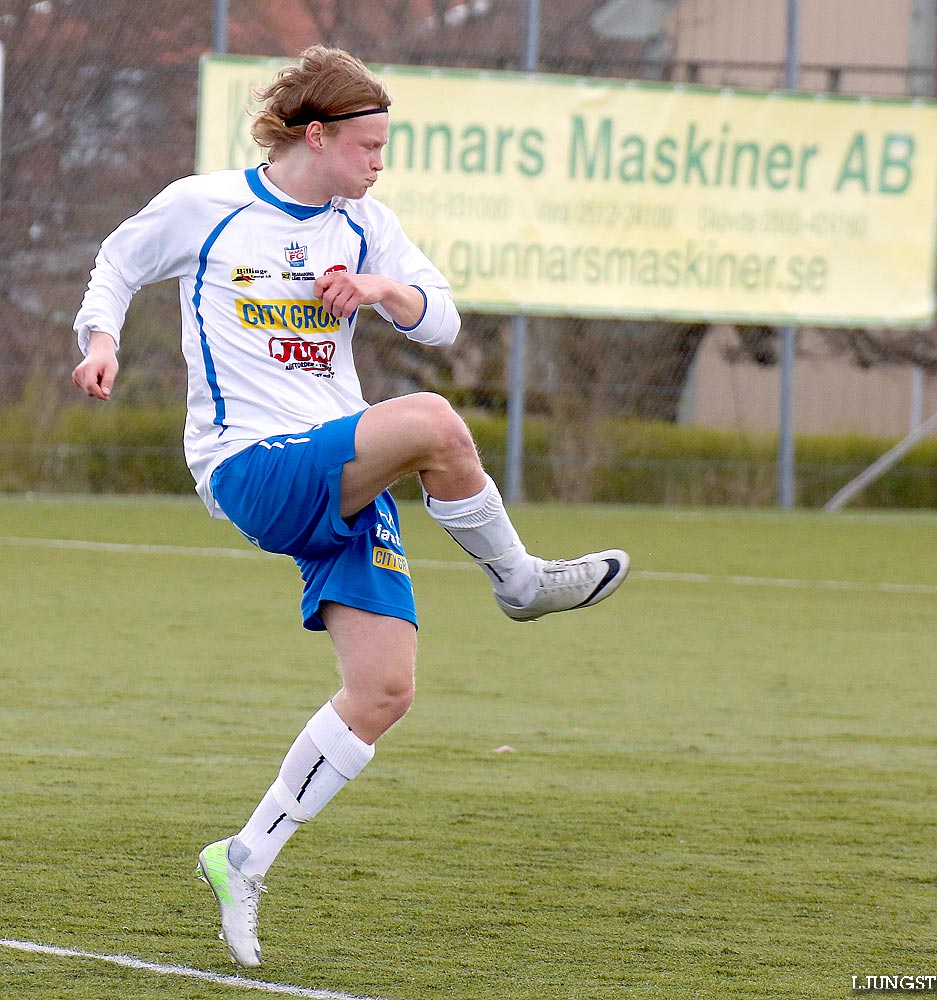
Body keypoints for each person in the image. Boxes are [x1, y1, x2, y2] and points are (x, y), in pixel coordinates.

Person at [71, 45, 629, 968]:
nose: (378, 163)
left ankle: (243, 857)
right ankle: (521, 583)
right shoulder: (207, 206)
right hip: (250, 464)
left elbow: (440, 317)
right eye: (367, 145)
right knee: (435, 424)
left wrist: (380, 289)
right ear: (316, 134)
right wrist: (102, 344)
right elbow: (118, 264)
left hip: (340, 468)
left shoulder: (363, 225)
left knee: (383, 691)